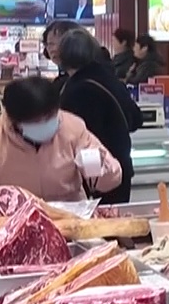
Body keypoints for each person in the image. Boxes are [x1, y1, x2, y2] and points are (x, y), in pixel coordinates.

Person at [0, 76, 122, 206]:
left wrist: (97, 166)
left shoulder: (73, 128)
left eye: (50, 118)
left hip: (70, 219)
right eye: (36, 122)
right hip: (15, 225)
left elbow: (112, 179)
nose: (45, 125)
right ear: (14, 120)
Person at [57, 28, 142, 204]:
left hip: (92, 177)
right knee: (116, 219)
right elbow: (136, 119)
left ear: (62, 56)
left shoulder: (75, 90)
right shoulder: (111, 79)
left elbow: (70, 136)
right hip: (119, 169)